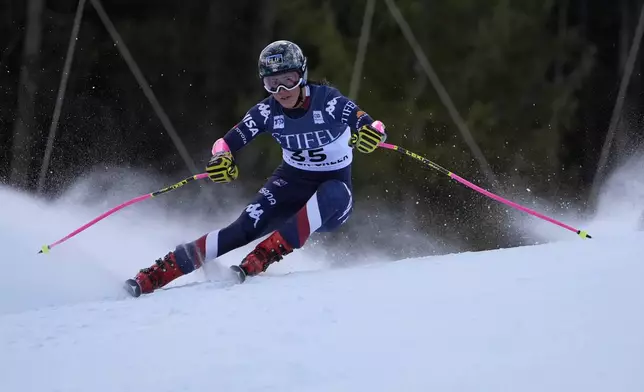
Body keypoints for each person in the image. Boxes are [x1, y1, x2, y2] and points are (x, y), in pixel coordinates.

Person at [126, 40, 387, 296]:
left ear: (303, 75)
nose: (283, 90)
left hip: (334, 201)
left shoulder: (327, 101)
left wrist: (371, 133)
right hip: (290, 185)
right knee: (243, 228)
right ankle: (161, 271)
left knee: (334, 191)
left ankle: (264, 254)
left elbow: (370, 123)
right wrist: (221, 159)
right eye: (273, 83)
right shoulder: (266, 112)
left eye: (289, 79)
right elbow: (225, 143)